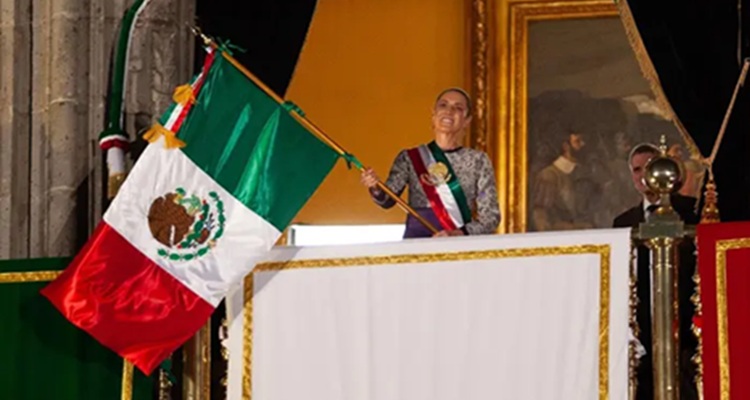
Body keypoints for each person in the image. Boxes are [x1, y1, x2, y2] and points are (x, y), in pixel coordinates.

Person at [612, 143, 699, 400]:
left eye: (648, 167)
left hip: (687, 317)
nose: (643, 175)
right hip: (643, 323)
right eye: (636, 170)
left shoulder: (692, 211)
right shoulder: (623, 222)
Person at [360, 88, 500, 238]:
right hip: (417, 244)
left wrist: (457, 234)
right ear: (433, 114)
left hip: (457, 245)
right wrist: (375, 186)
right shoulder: (410, 158)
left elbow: (490, 218)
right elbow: (387, 200)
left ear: (467, 120)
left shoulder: (478, 161)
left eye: (458, 108)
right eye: (443, 105)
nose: (449, 111)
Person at [531, 131, 595, 231]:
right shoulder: (548, 176)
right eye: (577, 141)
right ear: (566, 146)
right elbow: (541, 218)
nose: (583, 144)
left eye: (583, 141)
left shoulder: (584, 173)